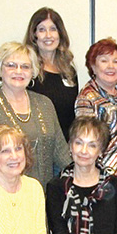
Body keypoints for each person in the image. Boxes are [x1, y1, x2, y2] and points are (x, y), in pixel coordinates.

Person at [0, 42, 70, 192]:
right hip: (0, 196)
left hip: (40, 196)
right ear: (0, 69)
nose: (19, 71)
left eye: (25, 66)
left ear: (33, 72)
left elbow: (61, 152)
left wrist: (83, 177)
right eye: (11, 65)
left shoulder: (45, 104)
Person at [74, 37, 117, 184]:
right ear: (93, 66)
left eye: (115, 61)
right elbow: (86, 143)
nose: (111, 66)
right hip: (101, 180)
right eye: (104, 61)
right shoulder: (87, 97)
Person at [26, 8, 79, 140]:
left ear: (60, 34)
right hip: (38, 146)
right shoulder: (28, 70)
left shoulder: (69, 71)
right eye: (42, 29)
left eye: (53, 29)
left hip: (66, 146)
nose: (48, 35)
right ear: (34, 36)